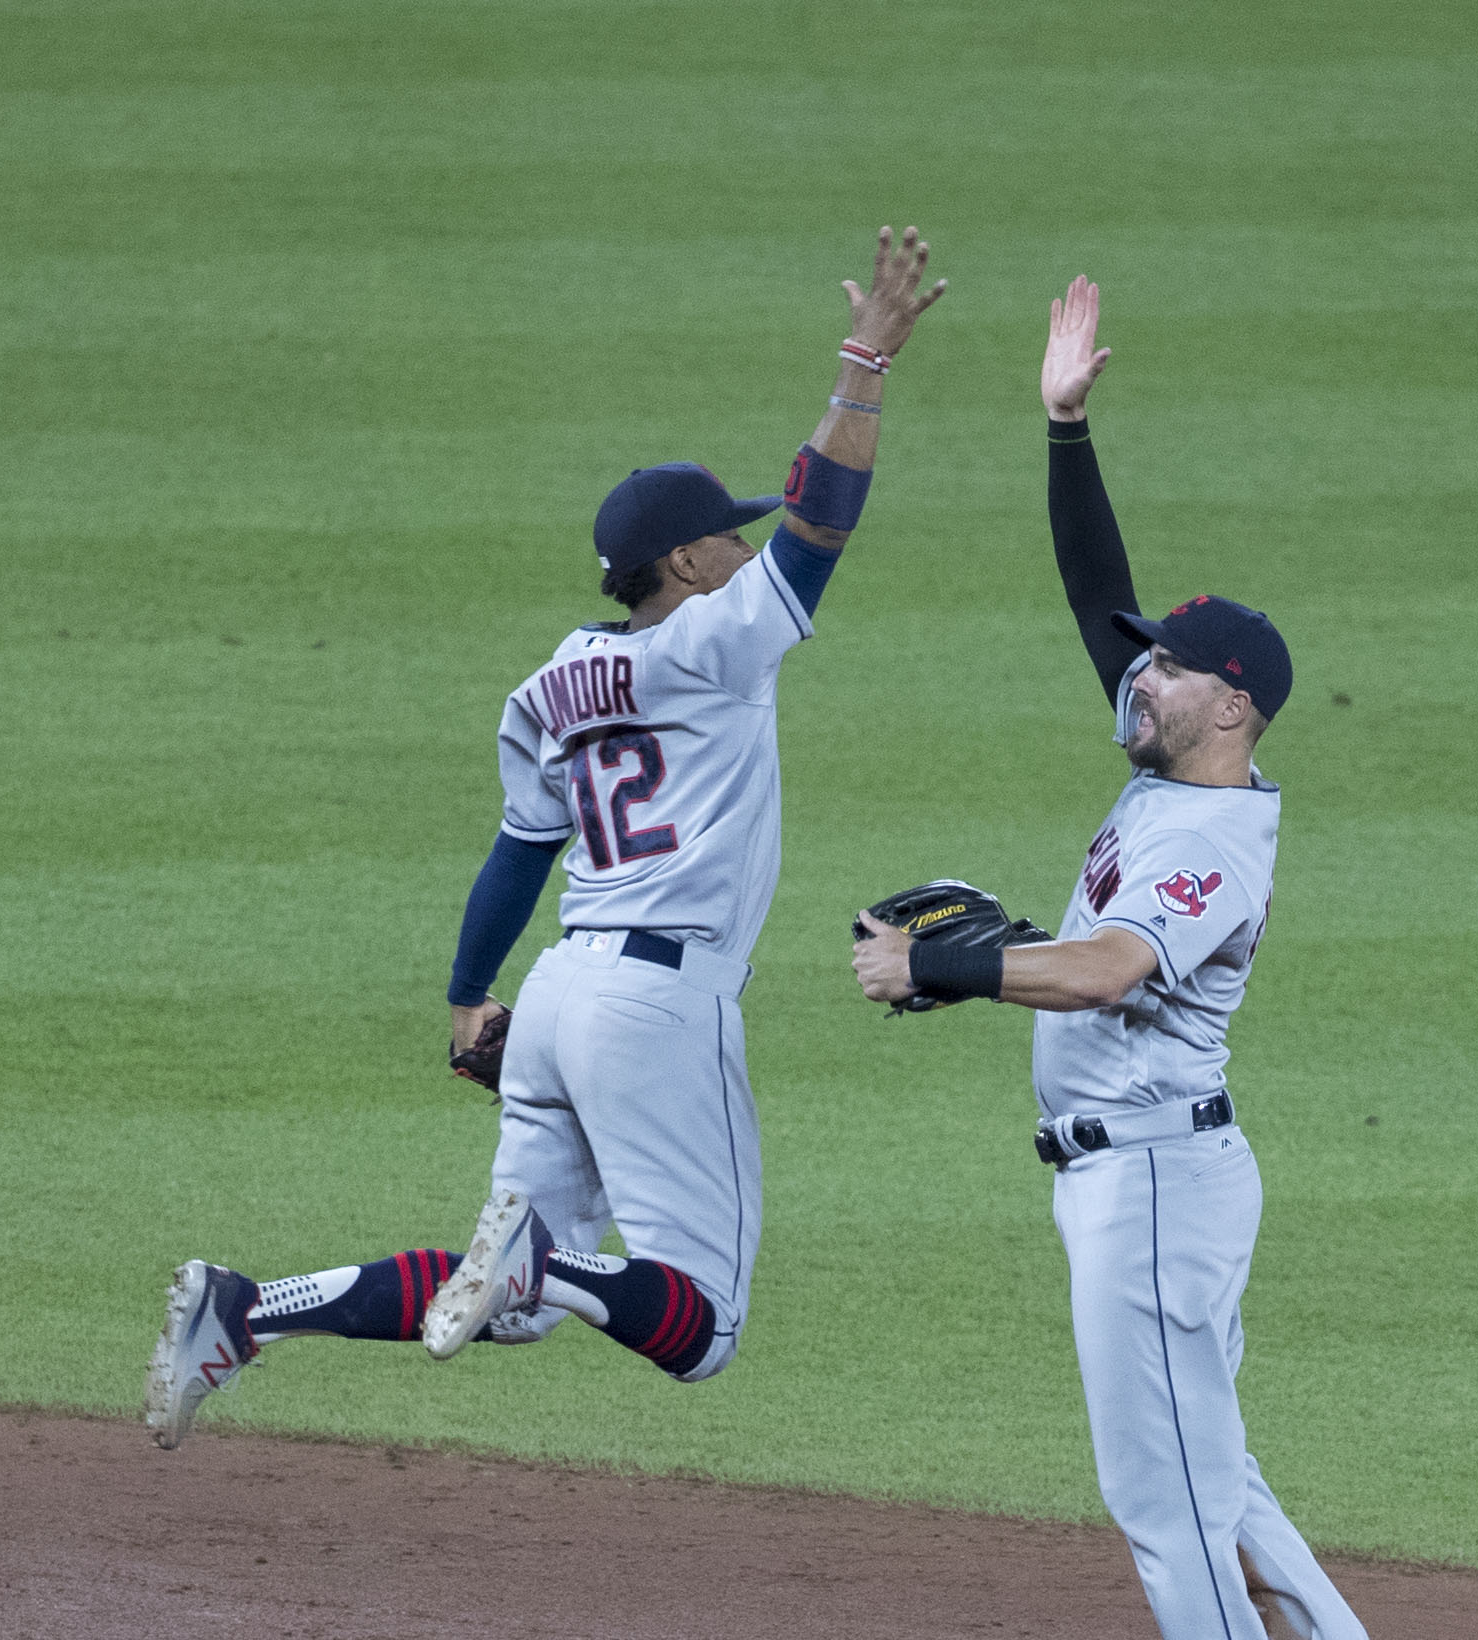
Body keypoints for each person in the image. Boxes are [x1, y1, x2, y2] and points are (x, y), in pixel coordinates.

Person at [145, 226, 946, 1450]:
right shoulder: (716, 640)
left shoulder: (551, 681)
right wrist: (864, 363)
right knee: (701, 1326)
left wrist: (468, 995)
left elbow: (520, 849)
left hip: (561, 988)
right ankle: (539, 1259)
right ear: (685, 560)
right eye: (726, 538)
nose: (745, 549)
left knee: (511, 1306)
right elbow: (819, 520)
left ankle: (245, 1311)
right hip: (655, 1005)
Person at [853, 276, 1439, 1640]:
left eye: (1171, 668)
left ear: (1229, 705)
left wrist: (942, 968)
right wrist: (1064, 428)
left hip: (1157, 1187)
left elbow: (1110, 970)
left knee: (1166, 1501)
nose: (1142, 673)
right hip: (1143, 1177)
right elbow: (1098, 601)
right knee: (1214, 1479)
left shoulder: (1215, 836)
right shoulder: (1177, 754)